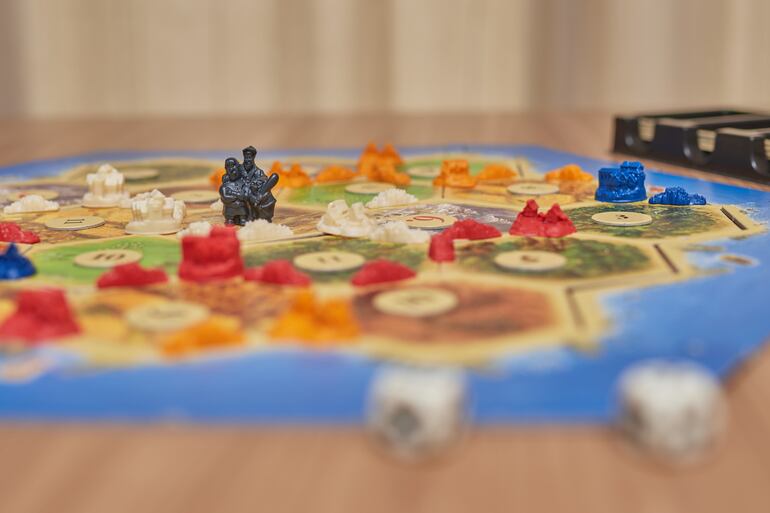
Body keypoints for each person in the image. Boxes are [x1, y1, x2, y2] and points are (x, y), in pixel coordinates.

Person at [219, 158, 250, 225]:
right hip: (230, 208)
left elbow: (245, 195)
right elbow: (225, 197)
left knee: (243, 219)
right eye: (228, 167)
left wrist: (242, 195)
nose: (231, 169)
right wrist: (237, 195)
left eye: (233, 166)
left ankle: (243, 219)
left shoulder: (242, 182)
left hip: (242, 208)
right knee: (229, 220)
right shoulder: (225, 186)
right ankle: (230, 220)